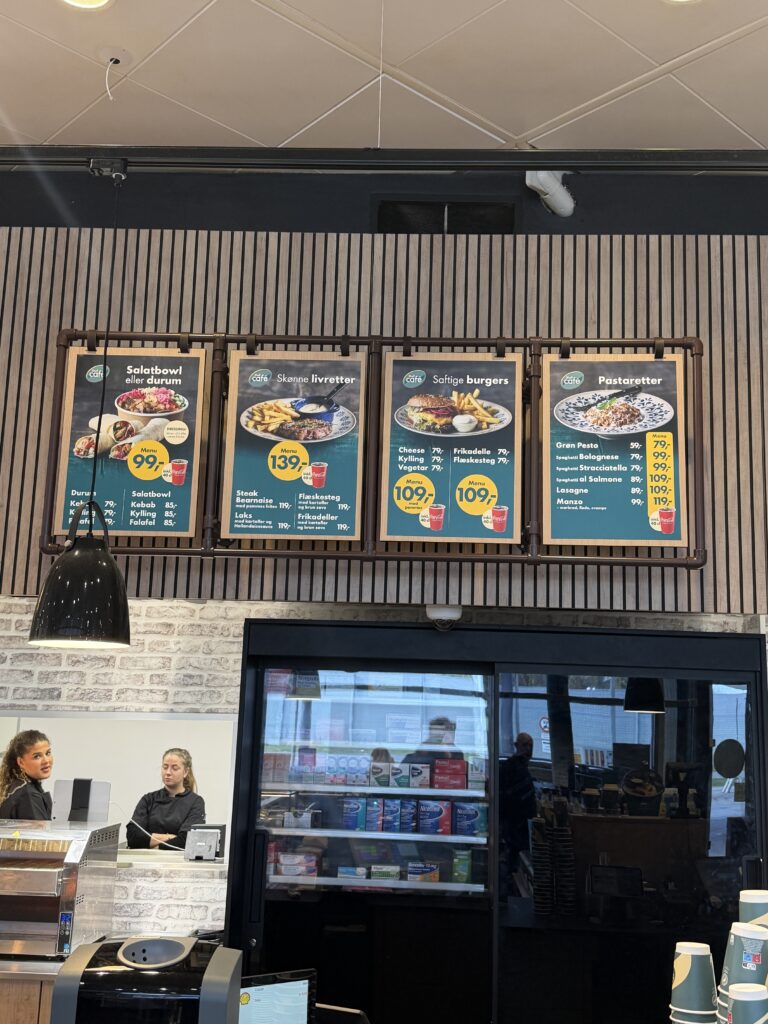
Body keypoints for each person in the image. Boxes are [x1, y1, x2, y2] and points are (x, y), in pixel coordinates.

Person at [126, 747, 205, 850]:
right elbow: (133, 836)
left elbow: (187, 840)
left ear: (185, 772)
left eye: (174, 768)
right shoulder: (148, 799)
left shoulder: (195, 802)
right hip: (146, 859)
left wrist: (155, 845)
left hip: (178, 860)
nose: (168, 772)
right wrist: (169, 837)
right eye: (165, 767)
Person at [499, 732, 537, 875]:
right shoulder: (511, 766)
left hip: (521, 824)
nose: (528, 749)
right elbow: (506, 796)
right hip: (515, 823)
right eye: (525, 745)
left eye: (531, 745)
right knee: (514, 860)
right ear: (516, 746)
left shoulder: (523, 766)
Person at [0, 730, 53, 820]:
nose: (46, 761)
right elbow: (38, 829)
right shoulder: (28, 794)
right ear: (21, 762)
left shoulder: (16, 786)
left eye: (48, 753)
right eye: (37, 756)